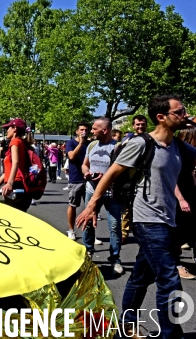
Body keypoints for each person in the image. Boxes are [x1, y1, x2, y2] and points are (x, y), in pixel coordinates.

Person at [77, 94, 196, 339]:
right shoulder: (142, 143)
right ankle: (171, 334)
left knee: (141, 276)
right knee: (169, 279)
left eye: (185, 111)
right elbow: (112, 172)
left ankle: (126, 324)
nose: (185, 114)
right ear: (161, 117)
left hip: (168, 219)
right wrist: (92, 204)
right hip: (147, 219)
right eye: (180, 111)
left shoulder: (179, 146)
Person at [81, 118, 123, 274]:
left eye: (94, 129)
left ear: (104, 130)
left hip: (112, 193)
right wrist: (87, 173)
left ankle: (115, 258)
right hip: (91, 191)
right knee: (88, 223)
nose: (91, 131)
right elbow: (85, 164)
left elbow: (122, 171)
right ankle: (88, 251)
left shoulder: (118, 147)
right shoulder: (92, 145)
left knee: (114, 226)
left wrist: (105, 177)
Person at [0, 119, 32, 212]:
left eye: (8, 128)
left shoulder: (15, 142)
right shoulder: (21, 142)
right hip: (19, 186)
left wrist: (9, 183)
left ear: (14, 129)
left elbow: (16, 163)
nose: (6, 131)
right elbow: (7, 173)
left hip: (16, 187)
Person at [120, 114, 149, 244]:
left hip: (145, 178)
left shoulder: (151, 139)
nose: (140, 126)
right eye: (138, 124)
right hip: (129, 179)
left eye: (142, 124)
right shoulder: (128, 140)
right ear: (133, 126)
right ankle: (124, 233)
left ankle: (142, 234)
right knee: (126, 208)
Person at [174, 126, 196, 279]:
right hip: (179, 199)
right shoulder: (177, 156)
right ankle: (177, 265)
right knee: (176, 233)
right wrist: (181, 199)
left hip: (189, 196)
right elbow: (171, 179)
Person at [65, 123, 89, 240]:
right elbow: (72, 157)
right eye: (81, 130)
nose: (84, 132)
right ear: (77, 131)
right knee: (73, 205)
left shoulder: (90, 144)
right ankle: (71, 230)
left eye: (86, 130)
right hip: (76, 179)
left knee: (90, 207)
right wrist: (80, 143)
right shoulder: (71, 143)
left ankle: (89, 234)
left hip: (88, 179)